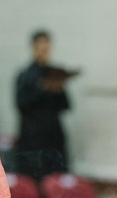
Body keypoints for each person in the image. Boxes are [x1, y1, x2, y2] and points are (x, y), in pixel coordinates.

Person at [14, 30, 78, 179]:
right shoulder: (25, 76)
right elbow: (21, 104)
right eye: (41, 49)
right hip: (33, 141)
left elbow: (66, 106)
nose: (45, 53)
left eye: (47, 49)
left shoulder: (55, 73)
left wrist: (58, 89)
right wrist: (42, 89)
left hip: (53, 139)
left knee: (57, 181)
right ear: (34, 48)